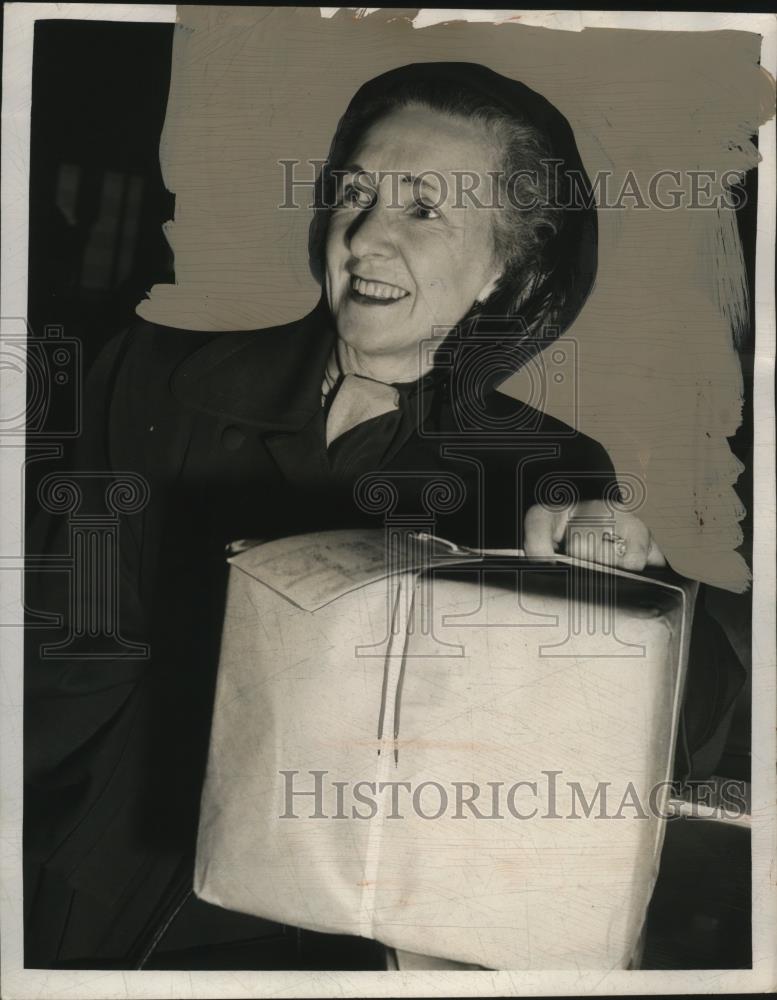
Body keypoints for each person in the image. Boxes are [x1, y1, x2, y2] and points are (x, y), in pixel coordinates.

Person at [23, 61, 741, 970]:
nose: (364, 236)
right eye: (354, 193)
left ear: (504, 272)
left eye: (424, 208)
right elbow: (59, 659)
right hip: (102, 883)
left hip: (345, 923)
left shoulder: (546, 468)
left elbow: (648, 741)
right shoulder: (150, 373)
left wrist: (629, 587)